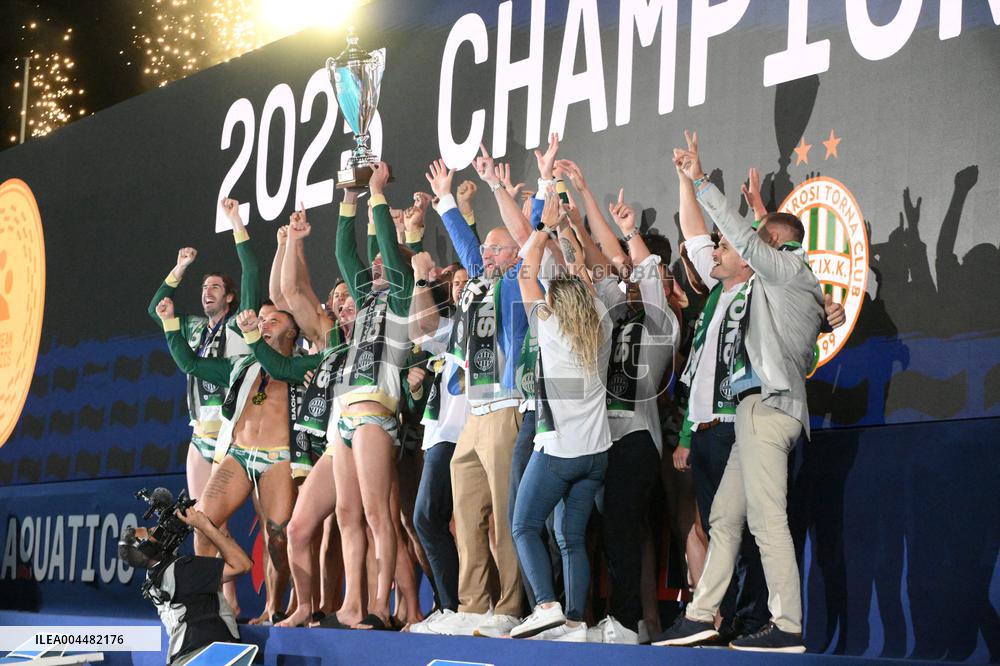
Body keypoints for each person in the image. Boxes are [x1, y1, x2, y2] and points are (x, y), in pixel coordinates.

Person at [655, 132, 825, 653]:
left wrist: (701, 182)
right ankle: (703, 613)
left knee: (766, 520)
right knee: (726, 518)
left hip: (768, 410)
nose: (744, 245)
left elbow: (749, 245)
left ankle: (788, 624)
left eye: (759, 240)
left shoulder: (788, 270)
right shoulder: (786, 283)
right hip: (754, 410)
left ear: (774, 245)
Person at [422, 146, 538, 638]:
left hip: (507, 409)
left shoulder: (517, 282)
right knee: (466, 516)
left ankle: (510, 606)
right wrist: (446, 202)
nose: (486, 255)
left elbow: (530, 239)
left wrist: (521, 204)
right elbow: (469, 253)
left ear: (513, 255)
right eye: (486, 250)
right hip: (472, 415)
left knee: (505, 515)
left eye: (497, 249)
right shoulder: (482, 284)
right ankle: (472, 604)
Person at [154, 298, 305, 626]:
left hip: (278, 458)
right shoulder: (241, 365)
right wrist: (169, 325)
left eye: (273, 321)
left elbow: (280, 369)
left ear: (293, 332)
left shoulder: (300, 365)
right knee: (203, 520)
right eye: (261, 321)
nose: (264, 325)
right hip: (238, 454)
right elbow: (192, 365)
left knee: (277, 535)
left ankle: (276, 606)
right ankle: (205, 605)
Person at [145, 197, 258, 617]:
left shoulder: (238, 327)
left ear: (228, 298)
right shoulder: (191, 326)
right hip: (199, 436)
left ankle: (230, 601)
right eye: (203, 287)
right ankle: (214, 600)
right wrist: (179, 268)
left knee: (219, 522)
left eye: (214, 287)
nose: (206, 291)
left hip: (230, 435)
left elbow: (250, 273)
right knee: (201, 521)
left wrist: (236, 224)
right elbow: (154, 306)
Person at [508, 190, 613, 642]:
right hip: (597, 455)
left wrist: (542, 228)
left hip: (559, 452)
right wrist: (565, 233)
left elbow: (525, 272)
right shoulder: (602, 326)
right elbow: (584, 277)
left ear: (557, 304)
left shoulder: (548, 328)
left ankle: (546, 606)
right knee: (571, 537)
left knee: (525, 525)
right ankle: (574, 620)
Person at [332, 163, 414, 630]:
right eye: (377, 266)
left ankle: (381, 606)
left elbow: (384, 243)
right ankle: (351, 603)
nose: (377, 266)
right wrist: (349, 197)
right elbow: (346, 252)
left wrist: (378, 193)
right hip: (344, 415)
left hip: (375, 414)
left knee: (378, 513)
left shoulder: (402, 299)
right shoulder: (365, 304)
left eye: (385, 263)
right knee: (347, 513)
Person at [406, 251, 470, 632]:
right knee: (429, 519)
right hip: (440, 435)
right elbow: (420, 328)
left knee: (431, 518)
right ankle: (452, 607)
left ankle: (460, 607)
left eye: (467, 282)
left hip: (465, 433)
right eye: (456, 284)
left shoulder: (488, 318)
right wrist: (419, 278)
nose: (462, 289)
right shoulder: (450, 327)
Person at [119, 507, 251, 665]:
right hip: (208, 655)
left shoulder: (152, 577)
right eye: (150, 531)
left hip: (181, 657)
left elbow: (196, 587)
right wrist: (205, 526)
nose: (156, 529)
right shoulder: (182, 569)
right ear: (147, 548)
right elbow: (243, 565)